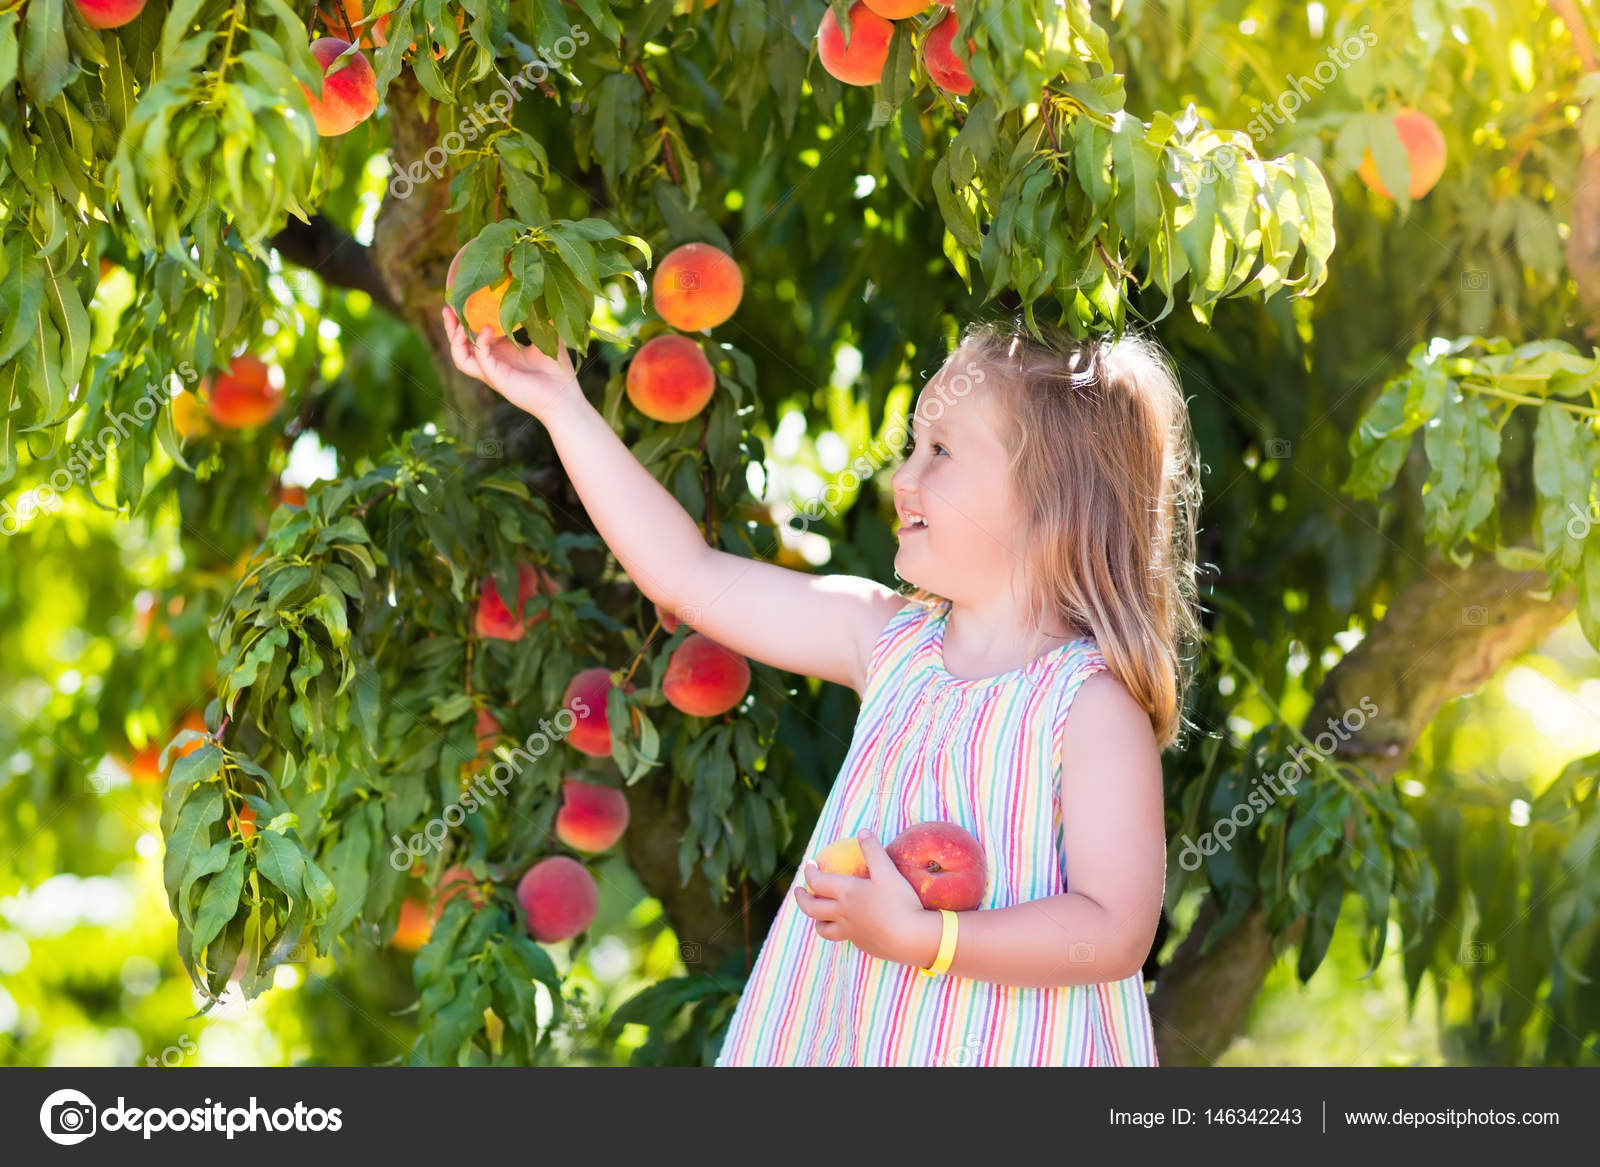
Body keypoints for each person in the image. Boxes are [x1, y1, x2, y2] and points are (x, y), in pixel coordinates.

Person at [443, 307, 1200, 1066]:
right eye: (910, 447)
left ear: (1050, 499)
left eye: (939, 452)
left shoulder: (1089, 706)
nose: (902, 477)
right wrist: (560, 405)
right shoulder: (886, 640)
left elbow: (1113, 929)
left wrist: (925, 940)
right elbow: (687, 575)